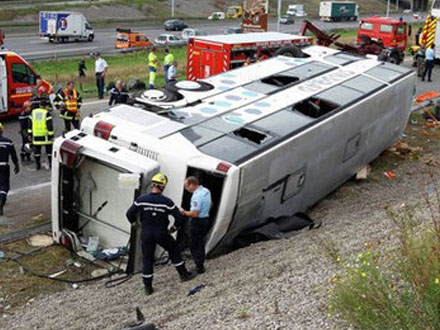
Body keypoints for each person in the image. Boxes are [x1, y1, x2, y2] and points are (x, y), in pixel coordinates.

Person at [126, 173, 196, 295]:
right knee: (174, 250)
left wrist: (135, 224)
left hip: (146, 233)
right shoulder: (166, 202)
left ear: (152, 185)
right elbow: (179, 217)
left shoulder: (141, 200)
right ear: (163, 187)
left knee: (147, 259)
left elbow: (129, 213)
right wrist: (174, 228)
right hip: (161, 233)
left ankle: (148, 287)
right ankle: (183, 274)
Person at [180, 176, 212, 274]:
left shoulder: (196, 196)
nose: (186, 189)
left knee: (194, 244)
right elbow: (211, 204)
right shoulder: (206, 191)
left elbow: (194, 213)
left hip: (197, 221)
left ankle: (199, 266)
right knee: (200, 242)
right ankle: (200, 262)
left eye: (186, 186)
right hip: (205, 218)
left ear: (192, 184)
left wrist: (183, 212)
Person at [28, 97, 54, 171]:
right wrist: (51, 136)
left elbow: (30, 124)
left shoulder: (33, 112)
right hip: (46, 137)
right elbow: (49, 126)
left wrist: (30, 134)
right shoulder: (46, 113)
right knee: (49, 152)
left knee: (37, 152)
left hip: (36, 136)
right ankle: (51, 164)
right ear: (45, 106)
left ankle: (38, 165)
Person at [0, 123, 19, 216]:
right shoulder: (8, 142)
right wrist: (16, 164)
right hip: (4, 166)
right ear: (2, 130)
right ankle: (2, 201)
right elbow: (13, 155)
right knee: (4, 185)